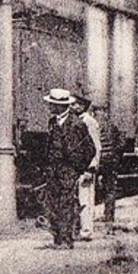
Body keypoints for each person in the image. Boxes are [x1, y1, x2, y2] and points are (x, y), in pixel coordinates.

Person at [42, 88, 95, 248]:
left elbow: (90, 148)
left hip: (68, 169)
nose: (50, 106)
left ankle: (66, 240)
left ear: (61, 106)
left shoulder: (77, 124)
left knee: (66, 204)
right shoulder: (52, 122)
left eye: (53, 104)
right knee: (53, 203)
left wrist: (79, 168)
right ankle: (57, 239)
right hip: (54, 169)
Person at [74, 95, 103, 240]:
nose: (72, 107)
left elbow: (96, 147)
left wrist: (91, 168)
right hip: (79, 167)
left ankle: (86, 231)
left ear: (81, 106)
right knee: (80, 199)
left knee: (85, 200)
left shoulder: (89, 122)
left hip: (86, 168)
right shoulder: (80, 121)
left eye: (74, 104)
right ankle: (81, 230)